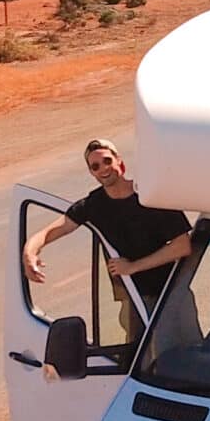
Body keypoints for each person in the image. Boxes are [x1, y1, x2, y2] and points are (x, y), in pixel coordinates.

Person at [22, 138, 193, 369]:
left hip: (172, 293)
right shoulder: (94, 205)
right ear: (91, 173)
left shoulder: (148, 195)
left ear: (119, 162)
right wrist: (30, 253)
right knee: (136, 362)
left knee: (180, 359)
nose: (103, 168)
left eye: (106, 161)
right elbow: (53, 230)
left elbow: (182, 246)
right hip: (133, 298)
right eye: (95, 166)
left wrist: (132, 267)